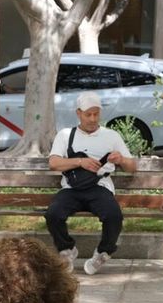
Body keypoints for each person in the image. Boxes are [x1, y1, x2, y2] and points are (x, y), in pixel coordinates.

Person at [45, 91, 139, 276]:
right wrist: (80, 162)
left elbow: (132, 167)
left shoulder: (111, 135)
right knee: (53, 214)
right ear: (78, 113)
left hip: (100, 187)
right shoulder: (65, 135)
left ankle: (104, 252)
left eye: (96, 114)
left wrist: (120, 159)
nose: (92, 118)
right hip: (72, 188)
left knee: (114, 216)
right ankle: (66, 250)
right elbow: (54, 163)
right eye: (88, 114)